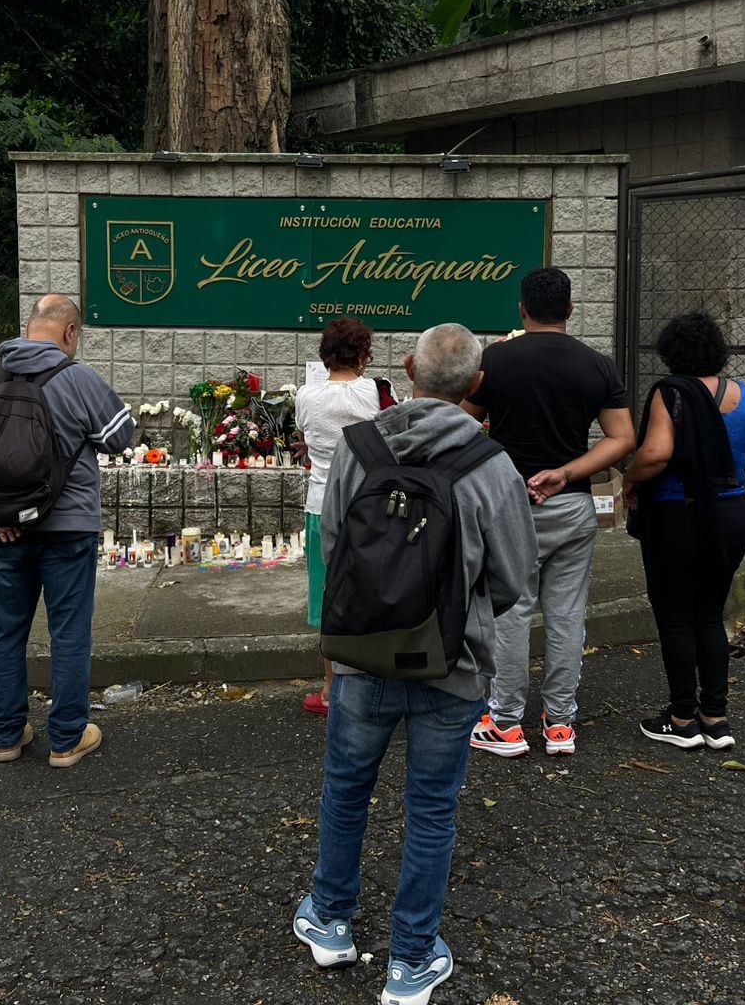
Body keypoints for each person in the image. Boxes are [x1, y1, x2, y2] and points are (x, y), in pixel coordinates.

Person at [292, 323, 536, 1005]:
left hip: (363, 657)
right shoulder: (491, 466)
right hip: (450, 665)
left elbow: (336, 543)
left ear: (407, 368)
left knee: (346, 789)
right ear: (477, 384)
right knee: (431, 810)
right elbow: (515, 578)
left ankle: (330, 921)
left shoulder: (357, 449)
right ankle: (411, 961)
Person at [0, 294, 133, 767]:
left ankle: (6, 736)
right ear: (69, 333)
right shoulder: (79, 378)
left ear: (28, 328)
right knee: (69, 632)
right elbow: (120, 437)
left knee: (5, 629)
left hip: (2, 532)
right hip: (69, 529)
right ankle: (66, 739)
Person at [461, 267, 635, 759]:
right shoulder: (597, 365)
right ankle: (560, 723)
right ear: (570, 311)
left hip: (509, 505)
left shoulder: (495, 360)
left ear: (522, 310)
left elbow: (462, 424)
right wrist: (565, 471)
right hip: (574, 504)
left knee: (512, 613)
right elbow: (623, 439)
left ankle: (506, 723)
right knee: (567, 614)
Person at [623, 313, 745, 751]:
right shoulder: (742, 392)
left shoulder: (671, 392)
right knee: (710, 614)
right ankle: (715, 718)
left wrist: (629, 478)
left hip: (678, 514)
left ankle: (682, 718)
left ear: (671, 352)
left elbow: (657, 453)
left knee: (675, 616)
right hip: (732, 513)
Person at [294, 317, 384, 716]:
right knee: (371, 591)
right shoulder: (373, 391)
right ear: (363, 355)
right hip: (369, 504)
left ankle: (332, 689)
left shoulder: (306, 396)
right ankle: (377, 679)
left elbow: (310, 437)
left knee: (330, 597)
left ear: (325, 355)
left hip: (322, 503)